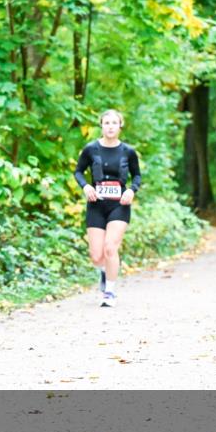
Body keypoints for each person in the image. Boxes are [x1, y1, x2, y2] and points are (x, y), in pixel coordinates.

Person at [73, 110, 142, 308]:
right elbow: (78, 171)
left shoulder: (128, 151)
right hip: (96, 204)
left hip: (119, 205)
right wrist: (86, 186)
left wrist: (131, 190)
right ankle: (104, 271)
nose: (110, 126)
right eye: (106, 122)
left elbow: (137, 175)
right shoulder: (91, 149)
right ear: (101, 125)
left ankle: (109, 292)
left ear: (120, 126)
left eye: (114, 122)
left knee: (111, 247)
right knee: (97, 256)